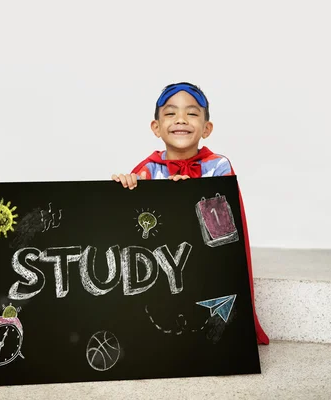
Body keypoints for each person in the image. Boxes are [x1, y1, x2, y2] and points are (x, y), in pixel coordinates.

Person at [112, 82, 269, 345]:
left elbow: (227, 226)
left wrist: (194, 194)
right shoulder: (148, 170)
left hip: (204, 264)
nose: (181, 120)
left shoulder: (218, 166)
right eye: (170, 113)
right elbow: (134, 229)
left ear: (206, 128)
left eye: (192, 113)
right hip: (165, 268)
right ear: (156, 127)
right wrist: (126, 187)